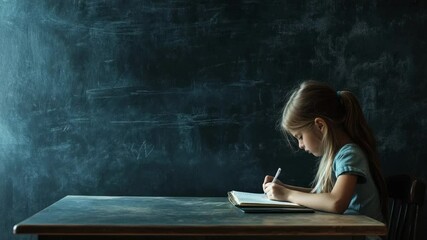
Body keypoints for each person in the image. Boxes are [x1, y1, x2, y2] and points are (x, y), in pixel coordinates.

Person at [263, 80, 388, 239]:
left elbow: (336, 202)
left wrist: (287, 194)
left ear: (320, 125)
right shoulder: (338, 155)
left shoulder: (350, 154)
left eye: (300, 137)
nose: (300, 145)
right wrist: (283, 188)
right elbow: (322, 195)